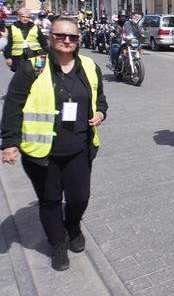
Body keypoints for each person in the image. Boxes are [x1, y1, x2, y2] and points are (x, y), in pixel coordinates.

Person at [1, 16, 107, 271]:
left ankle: (72, 225)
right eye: (61, 36)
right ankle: (57, 243)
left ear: (79, 40)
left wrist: (101, 112)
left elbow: (100, 96)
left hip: (80, 147)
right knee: (49, 200)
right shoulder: (34, 66)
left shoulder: (90, 66)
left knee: (79, 197)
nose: (67, 41)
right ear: (51, 38)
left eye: (72, 37)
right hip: (42, 152)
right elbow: (13, 104)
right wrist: (9, 142)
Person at [4, 7, 49, 72]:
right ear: (19, 17)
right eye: (23, 16)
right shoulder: (12, 27)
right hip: (18, 56)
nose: (25, 19)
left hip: (35, 54)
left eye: (27, 17)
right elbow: (9, 44)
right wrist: (8, 57)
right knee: (20, 75)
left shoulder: (34, 27)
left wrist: (46, 53)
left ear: (29, 18)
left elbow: (43, 42)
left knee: (37, 73)